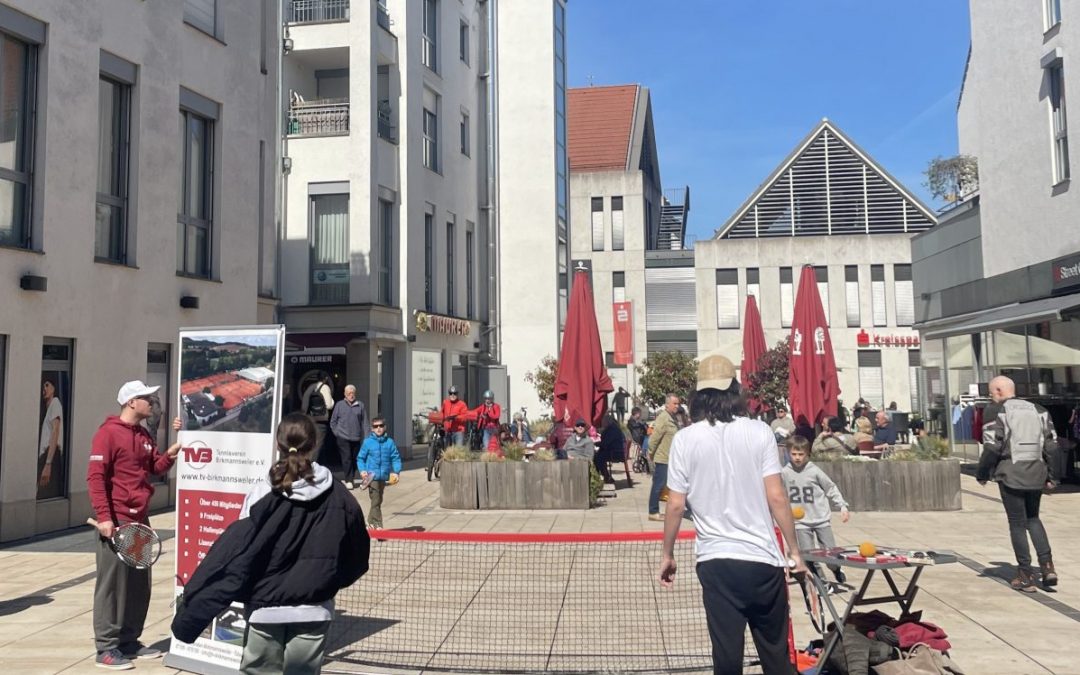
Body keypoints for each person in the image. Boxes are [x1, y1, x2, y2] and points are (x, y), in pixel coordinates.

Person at [171, 413, 369, 674]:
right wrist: (327, 580)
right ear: (315, 444)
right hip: (314, 608)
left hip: (264, 608)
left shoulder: (261, 492)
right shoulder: (340, 495)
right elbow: (357, 557)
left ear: (278, 444)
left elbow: (237, 551)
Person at [658, 354, 805, 674]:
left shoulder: (684, 439)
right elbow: (777, 497)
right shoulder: (760, 431)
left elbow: (675, 504)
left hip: (716, 562)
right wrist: (795, 552)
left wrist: (667, 553)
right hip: (763, 559)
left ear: (698, 396)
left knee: (726, 659)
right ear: (736, 391)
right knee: (776, 656)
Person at [88, 380, 182, 669]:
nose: (151, 403)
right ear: (131, 402)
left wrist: (170, 454)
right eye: (146, 398)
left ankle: (129, 641)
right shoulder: (107, 434)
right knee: (112, 587)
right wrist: (105, 517)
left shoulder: (142, 434)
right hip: (117, 520)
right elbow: (95, 477)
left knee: (138, 585)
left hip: (140, 520)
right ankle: (106, 647)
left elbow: (154, 467)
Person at [976, 375, 1059, 592]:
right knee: (1033, 518)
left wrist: (982, 473)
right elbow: (1051, 446)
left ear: (999, 391)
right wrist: (1053, 476)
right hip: (1036, 472)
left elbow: (992, 446)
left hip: (1010, 473)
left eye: (992, 393)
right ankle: (1047, 566)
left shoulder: (995, 411)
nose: (991, 397)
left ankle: (1025, 575)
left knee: (1017, 523)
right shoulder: (1039, 409)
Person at [783, 435, 851, 591]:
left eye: (801, 454)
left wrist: (842, 506)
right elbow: (779, 494)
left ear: (807, 454)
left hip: (820, 519)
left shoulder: (814, 471)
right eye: (794, 454)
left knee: (830, 554)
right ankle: (822, 583)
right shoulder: (784, 473)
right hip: (800, 522)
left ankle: (836, 569)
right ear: (788, 453)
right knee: (809, 557)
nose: (797, 458)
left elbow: (830, 487)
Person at [358, 416, 402, 530]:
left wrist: (396, 471)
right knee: (376, 499)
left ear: (385, 427)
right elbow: (360, 458)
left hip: (384, 476)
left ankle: (370, 522)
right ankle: (378, 524)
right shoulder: (367, 442)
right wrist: (362, 470)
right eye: (375, 426)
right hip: (371, 477)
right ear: (372, 428)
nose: (378, 428)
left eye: (381, 426)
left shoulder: (389, 442)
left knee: (377, 500)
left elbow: (395, 458)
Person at [329, 384, 369, 489]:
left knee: (355, 459)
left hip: (356, 437)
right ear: (345, 394)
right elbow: (333, 421)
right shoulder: (339, 405)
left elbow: (365, 422)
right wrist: (337, 433)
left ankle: (351, 476)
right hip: (343, 437)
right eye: (349, 393)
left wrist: (366, 437)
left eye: (352, 393)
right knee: (346, 458)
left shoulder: (360, 405)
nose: (351, 395)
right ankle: (349, 480)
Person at [647, 394, 679, 522]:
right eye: (674, 403)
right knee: (658, 485)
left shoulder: (672, 418)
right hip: (663, 458)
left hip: (671, 458)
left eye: (678, 403)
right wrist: (650, 453)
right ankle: (653, 512)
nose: (677, 406)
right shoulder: (663, 418)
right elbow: (654, 438)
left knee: (671, 485)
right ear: (667, 404)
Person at [38, 377, 64, 498]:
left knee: (45, 493)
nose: (44, 389)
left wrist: (48, 463)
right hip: (46, 456)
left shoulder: (55, 403)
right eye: (43, 386)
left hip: (51, 455)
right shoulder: (48, 409)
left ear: (54, 388)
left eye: (47, 385)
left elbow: (55, 431)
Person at [301, 375, 335, 454]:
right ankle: (314, 461)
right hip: (321, 420)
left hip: (310, 420)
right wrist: (332, 401)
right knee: (319, 445)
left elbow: (304, 407)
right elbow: (329, 405)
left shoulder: (310, 388)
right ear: (326, 378)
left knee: (310, 443)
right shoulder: (325, 387)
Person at [595, 414, 624, 485]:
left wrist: (596, 443)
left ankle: (604, 477)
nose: (602, 424)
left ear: (607, 422)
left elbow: (606, 443)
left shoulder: (612, 430)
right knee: (598, 455)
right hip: (614, 450)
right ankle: (605, 476)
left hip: (615, 452)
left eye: (603, 422)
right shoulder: (612, 428)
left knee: (598, 457)